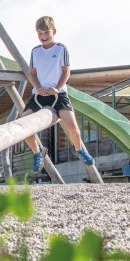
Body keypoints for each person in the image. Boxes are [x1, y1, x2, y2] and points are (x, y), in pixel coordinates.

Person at [23, 16, 94, 172]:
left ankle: (79, 149)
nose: (43, 36)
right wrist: (38, 87)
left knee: (73, 128)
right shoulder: (35, 51)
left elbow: (66, 71)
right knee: (22, 125)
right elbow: (33, 73)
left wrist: (57, 87)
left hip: (58, 94)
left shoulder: (61, 49)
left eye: (46, 32)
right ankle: (37, 152)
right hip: (39, 95)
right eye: (40, 33)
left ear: (54, 31)